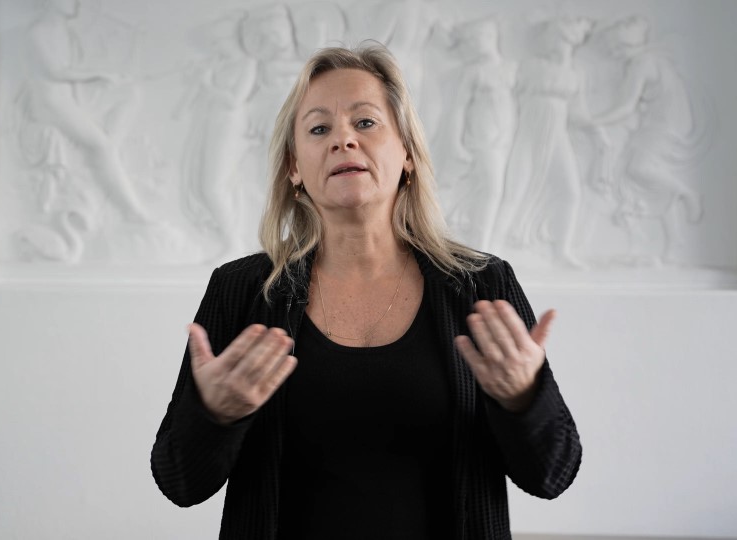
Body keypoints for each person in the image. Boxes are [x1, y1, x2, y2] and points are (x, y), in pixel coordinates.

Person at [151, 44, 582, 539]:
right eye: (319, 129)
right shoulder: (240, 290)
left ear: (408, 154)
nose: (343, 140)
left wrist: (525, 398)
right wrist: (214, 415)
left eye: (365, 122)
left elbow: (553, 474)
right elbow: (178, 482)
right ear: (294, 168)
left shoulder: (482, 285)